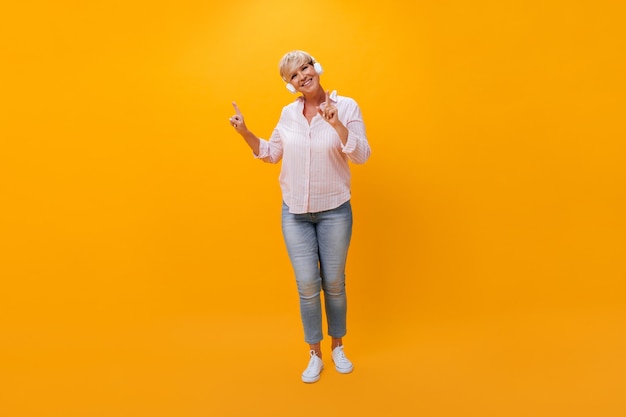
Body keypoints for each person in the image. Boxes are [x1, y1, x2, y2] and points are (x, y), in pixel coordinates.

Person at [229, 50, 371, 383]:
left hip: (335, 210)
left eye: (305, 67)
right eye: (294, 75)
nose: (302, 76)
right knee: (308, 286)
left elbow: (362, 155)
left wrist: (336, 124)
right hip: (295, 213)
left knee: (334, 285)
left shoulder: (346, 106)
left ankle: (338, 347)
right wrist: (245, 132)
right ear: (290, 85)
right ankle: (315, 354)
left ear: (316, 68)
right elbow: (271, 153)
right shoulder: (287, 115)